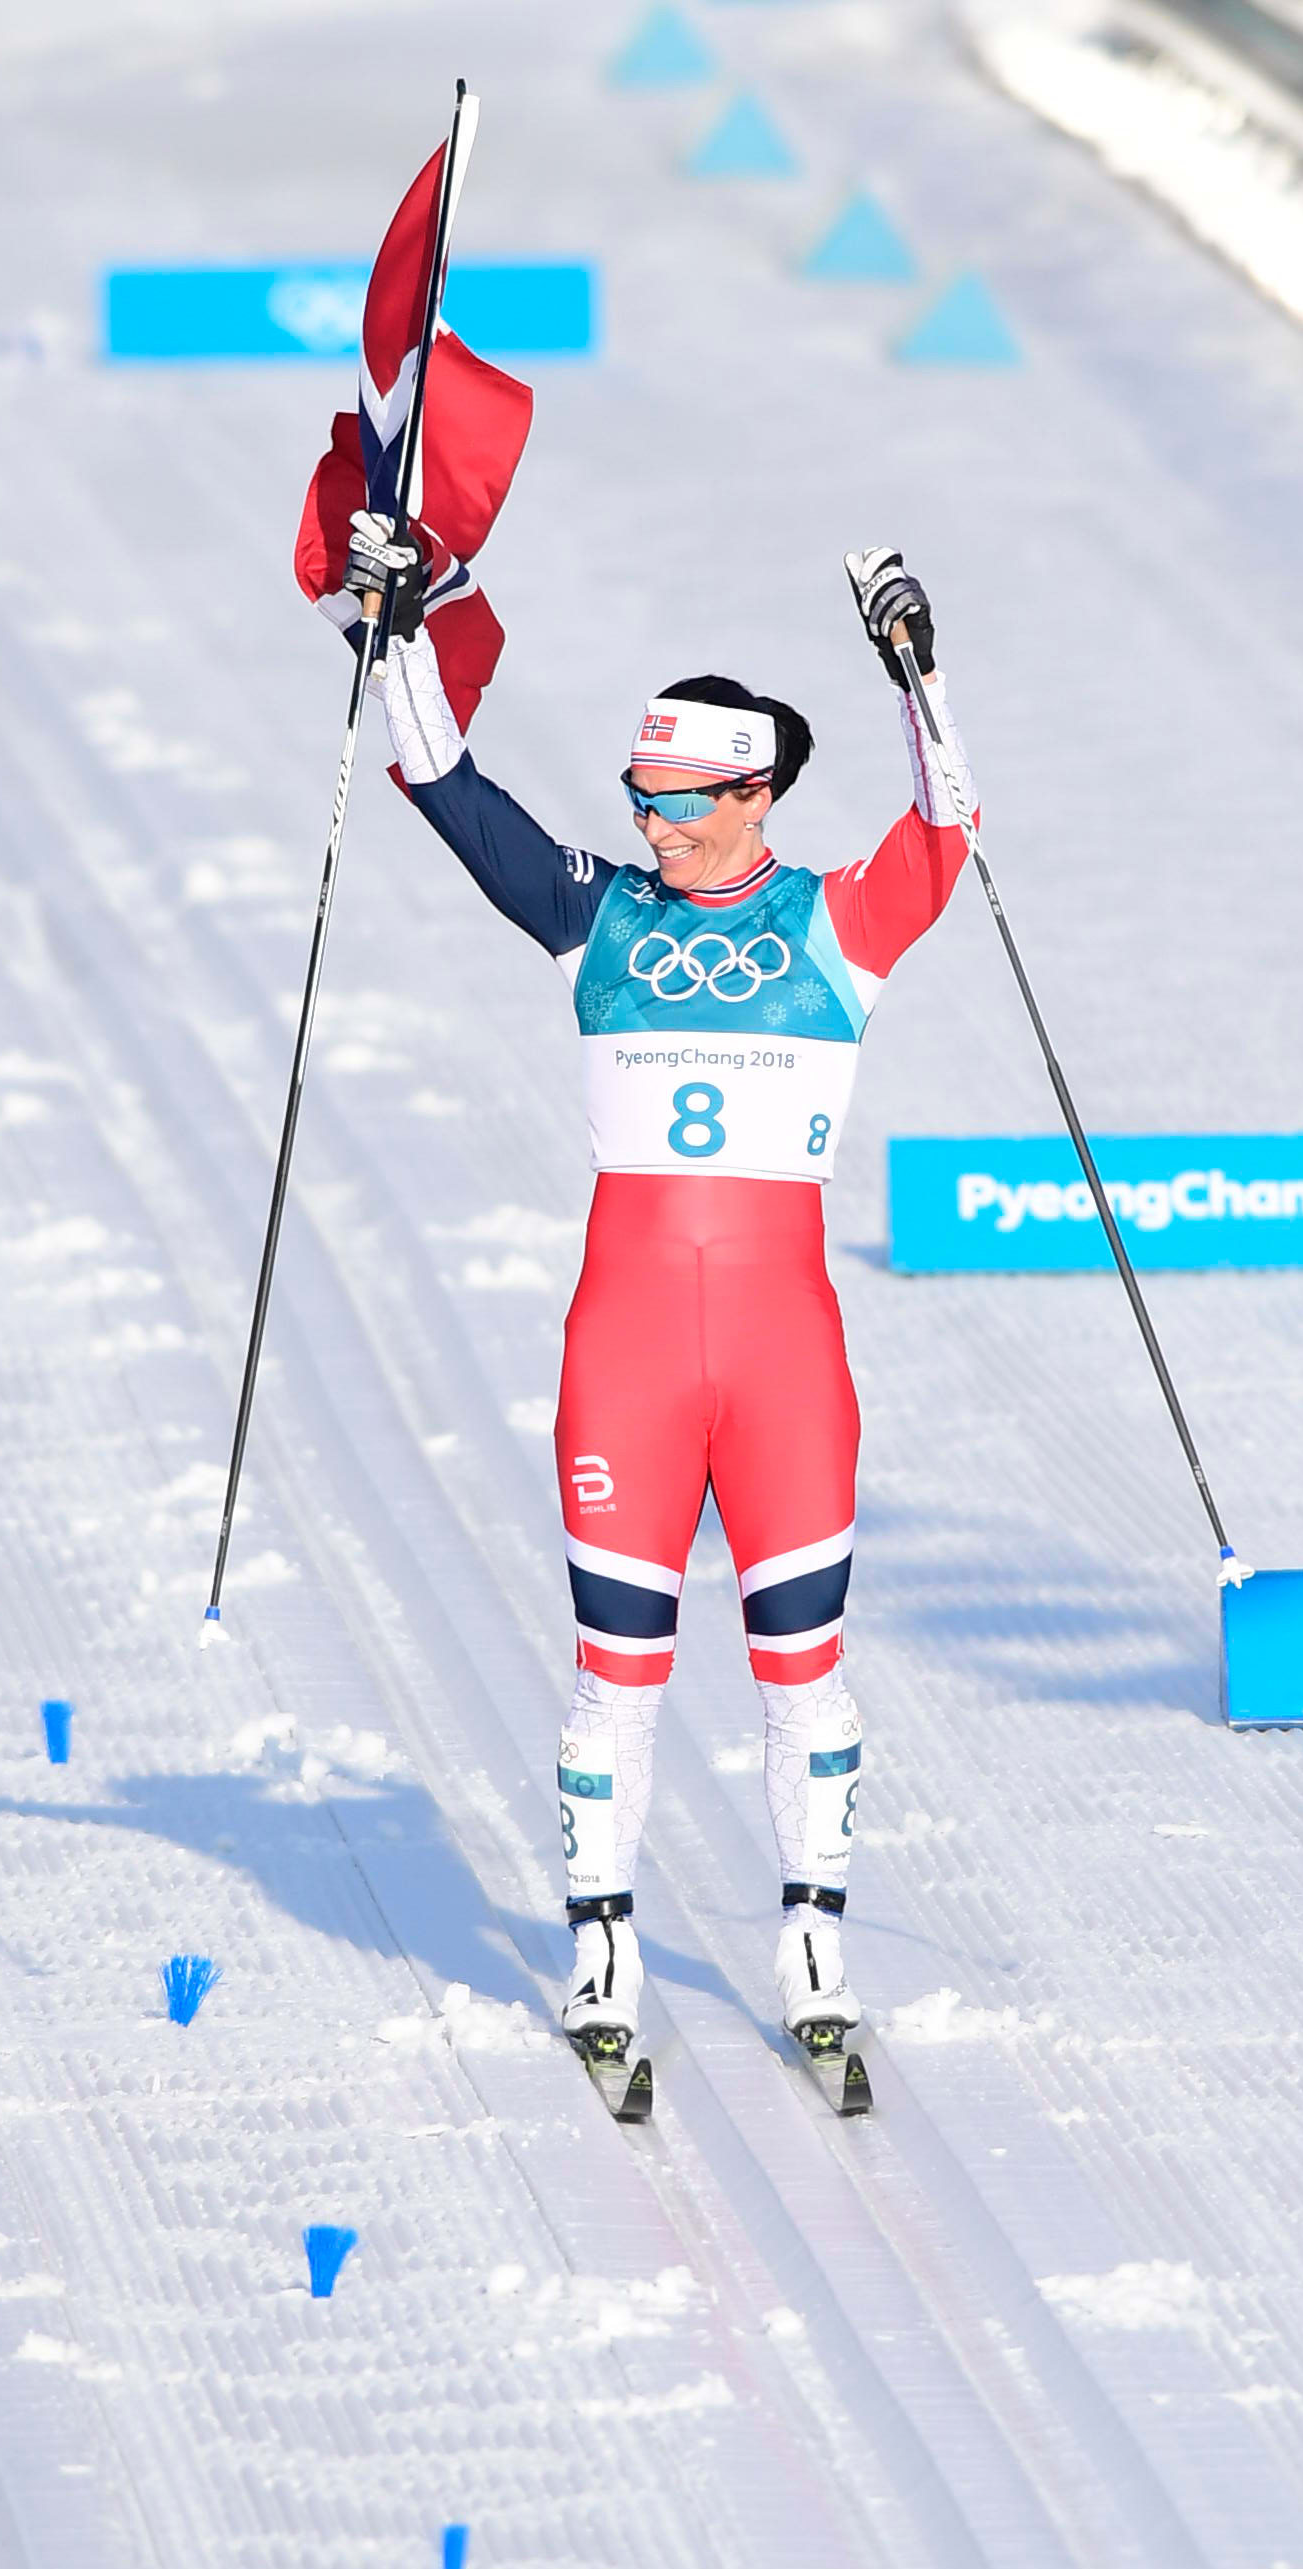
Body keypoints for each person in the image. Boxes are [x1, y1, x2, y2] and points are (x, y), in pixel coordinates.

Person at [340, 528, 971, 2111]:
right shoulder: (596, 915)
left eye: (682, 802)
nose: (653, 825)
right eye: (641, 799)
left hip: (782, 1363)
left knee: (800, 1670)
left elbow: (948, 827)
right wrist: (395, 632)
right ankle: (602, 1954)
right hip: (624, 1357)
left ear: (755, 795)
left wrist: (915, 668)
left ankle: (815, 1952)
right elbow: (445, 790)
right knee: (613, 1672)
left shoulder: (836, 925)